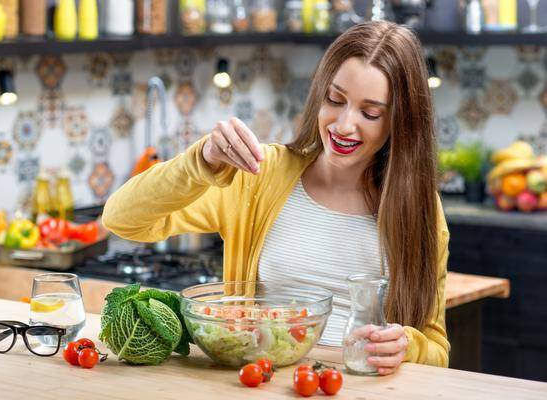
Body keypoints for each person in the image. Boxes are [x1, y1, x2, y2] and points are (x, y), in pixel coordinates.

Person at [102, 20, 450, 375]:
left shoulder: (420, 209)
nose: (344, 125)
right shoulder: (258, 176)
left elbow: (437, 348)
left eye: (370, 113)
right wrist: (201, 160)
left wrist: (408, 345)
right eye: (335, 99)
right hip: (260, 382)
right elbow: (121, 218)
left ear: (400, 123)